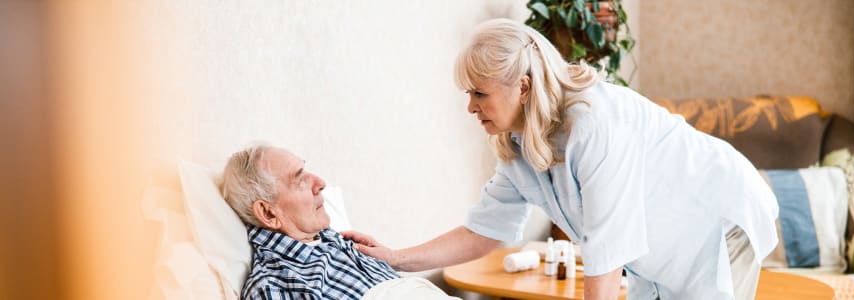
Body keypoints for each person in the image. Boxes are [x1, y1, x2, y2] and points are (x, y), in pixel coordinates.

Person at [342, 18, 779, 300]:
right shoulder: (517, 147)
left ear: (524, 89)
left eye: (480, 93)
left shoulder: (595, 122)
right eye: (468, 94)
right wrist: (395, 258)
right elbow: (482, 231)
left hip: (719, 222)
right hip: (664, 250)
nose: (470, 107)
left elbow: (606, 257)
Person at [221, 145, 399, 300]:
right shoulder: (273, 287)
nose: (321, 183)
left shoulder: (336, 239)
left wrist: (395, 259)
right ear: (268, 214)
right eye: (299, 179)